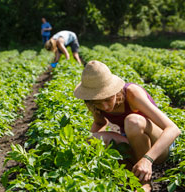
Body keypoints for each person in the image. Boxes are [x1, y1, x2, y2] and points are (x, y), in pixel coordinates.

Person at [73, 60, 181, 192]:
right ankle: (132, 177)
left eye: (107, 99)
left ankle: (145, 182)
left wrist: (147, 159)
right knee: (92, 138)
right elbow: (100, 123)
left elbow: (173, 129)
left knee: (133, 121)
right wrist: (88, 148)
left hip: (160, 146)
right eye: (98, 102)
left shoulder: (132, 94)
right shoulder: (93, 103)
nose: (105, 107)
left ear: (114, 90)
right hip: (134, 144)